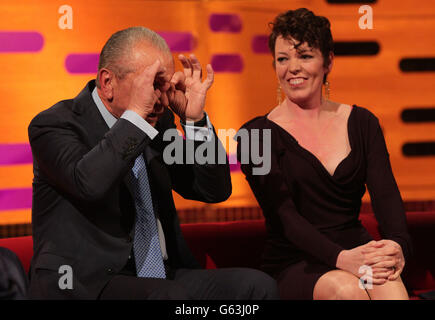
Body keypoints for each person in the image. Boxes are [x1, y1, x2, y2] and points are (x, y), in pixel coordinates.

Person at [28, 26, 279, 300]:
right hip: (85, 281)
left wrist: (194, 121)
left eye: (165, 84)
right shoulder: (55, 125)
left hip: (163, 277)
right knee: (169, 297)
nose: (161, 97)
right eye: (152, 84)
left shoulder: (158, 124)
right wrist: (136, 118)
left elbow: (213, 191)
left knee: (256, 287)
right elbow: (89, 184)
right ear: (107, 82)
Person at [237, 8, 412, 300]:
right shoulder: (255, 136)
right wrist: (343, 259)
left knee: (392, 289)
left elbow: (386, 197)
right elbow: (286, 220)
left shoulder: (363, 123)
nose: (292, 68)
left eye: (305, 56)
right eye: (283, 59)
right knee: (346, 291)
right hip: (296, 261)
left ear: (328, 61)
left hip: (357, 249)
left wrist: (398, 245)